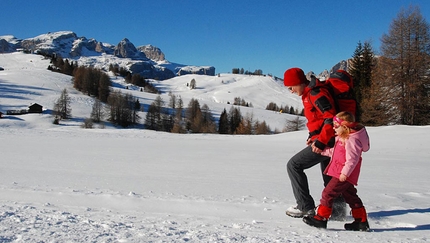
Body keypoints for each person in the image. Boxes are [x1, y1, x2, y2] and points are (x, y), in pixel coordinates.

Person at [283, 67, 343, 218]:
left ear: (299, 82)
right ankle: (337, 212)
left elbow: (332, 118)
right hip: (331, 140)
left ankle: (305, 207)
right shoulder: (309, 93)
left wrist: (321, 141)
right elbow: (319, 120)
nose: (290, 91)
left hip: (328, 141)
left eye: (291, 87)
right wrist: (313, 135)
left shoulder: (316, 93)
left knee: (294, 165)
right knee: (329, 175)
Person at [303, 111, 370, 231]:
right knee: (350, 196)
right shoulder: (342, 138)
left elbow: (352, 160)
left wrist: (345, 173)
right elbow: (335, 153)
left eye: (336, 126)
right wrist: (321, 151)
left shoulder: (351, 140)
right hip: (342, 173)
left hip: (343, 175)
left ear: (345, 127)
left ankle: (321, 218)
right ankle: (361, 221)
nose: (333, 127)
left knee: (328, 193)